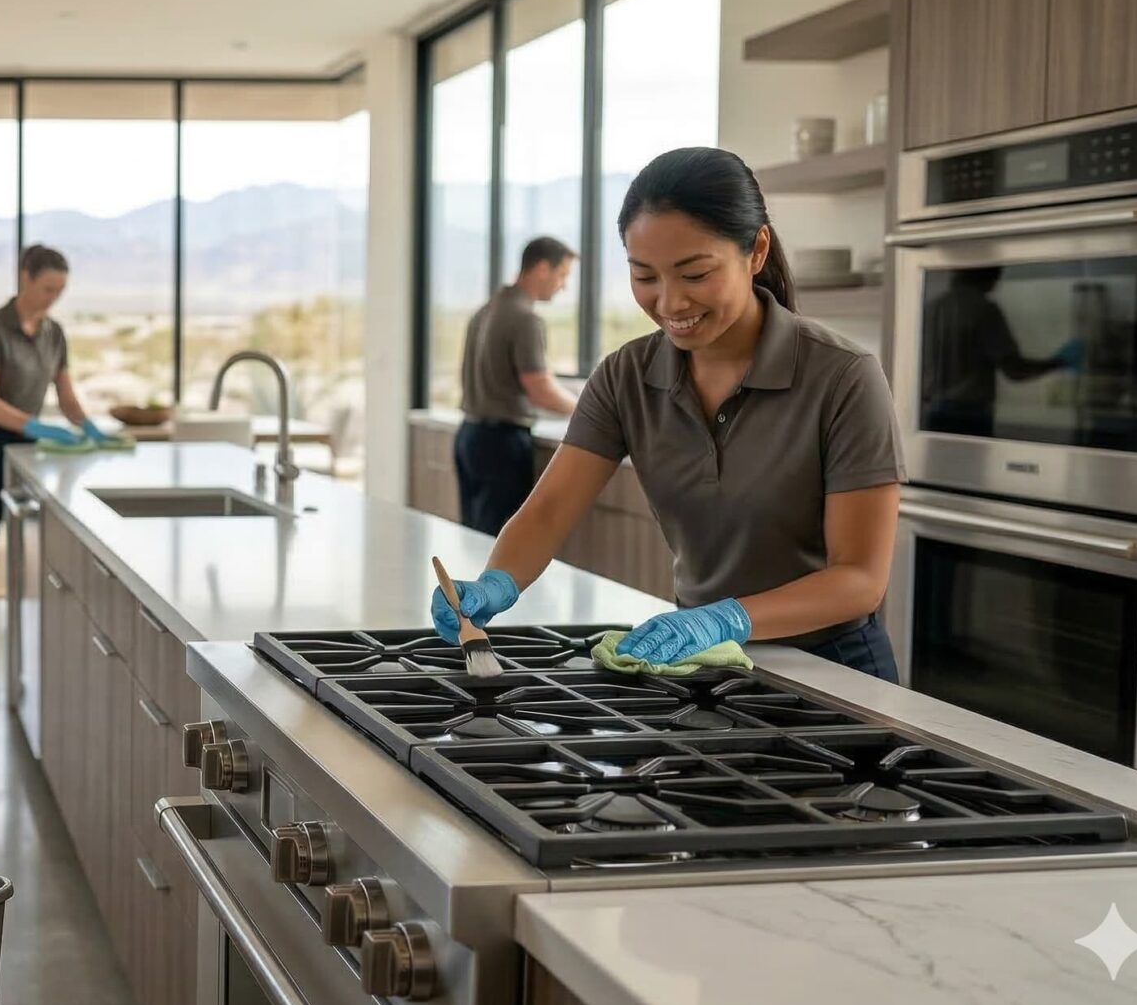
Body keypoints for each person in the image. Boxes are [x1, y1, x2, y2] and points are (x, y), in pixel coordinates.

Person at [432, 147, 905, 682]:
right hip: (701, 668)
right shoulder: (625, 377)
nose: (670, 302)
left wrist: (728, 618)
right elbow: (548, 512)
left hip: (835, 670)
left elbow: (860, 578)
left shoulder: (843, 376)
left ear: (756, 250)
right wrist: (498, 582)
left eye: (695, 274)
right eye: (645, 277)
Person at [0, 245, 108, 702]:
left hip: (28, 457)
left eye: (60, 291)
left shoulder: (54, 333)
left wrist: (90, 427)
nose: (52, 299)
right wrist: (34, 424)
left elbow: (66, 395)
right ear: (24, 277)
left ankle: (36, 663)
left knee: (36, 565)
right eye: (46, 289)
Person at [454, 236, 581, 534]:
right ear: (541, 269)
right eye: (562, 275)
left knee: (474, 538)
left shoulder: (486, 311)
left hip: (469, 437)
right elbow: (539, 388)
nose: (563, 285)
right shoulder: (525, 319)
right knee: (500, 544)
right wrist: (585, 410)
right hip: (501, 445)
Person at [917, 265, 1083, 438]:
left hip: (929, 414)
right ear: (988, 278)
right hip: (968, 417)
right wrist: (1060, 361)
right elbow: (1015, 370)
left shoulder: (932, 308)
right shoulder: (983, 309)